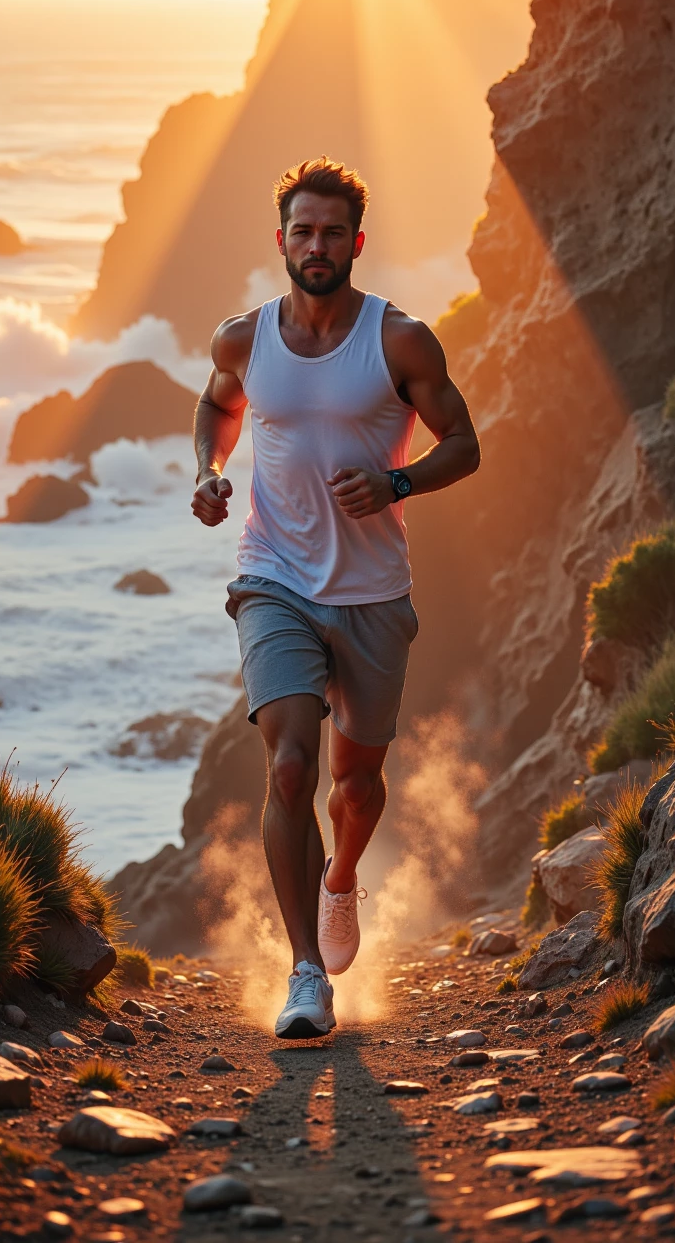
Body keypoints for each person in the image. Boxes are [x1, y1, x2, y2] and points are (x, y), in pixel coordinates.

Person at [191, 156, 480, 1039]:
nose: (316, 246)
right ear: (281, 240)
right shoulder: (243, 338)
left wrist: (396, 486)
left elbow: (464, 443)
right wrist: (206, 472)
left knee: (355, 787)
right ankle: (306, 973)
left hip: (372, 592)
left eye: (332, 233)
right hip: (272, 575)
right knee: (288, 766)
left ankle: (341, 879)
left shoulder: (400, 341)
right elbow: (219, 404)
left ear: (357, 243)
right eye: (301, 231)